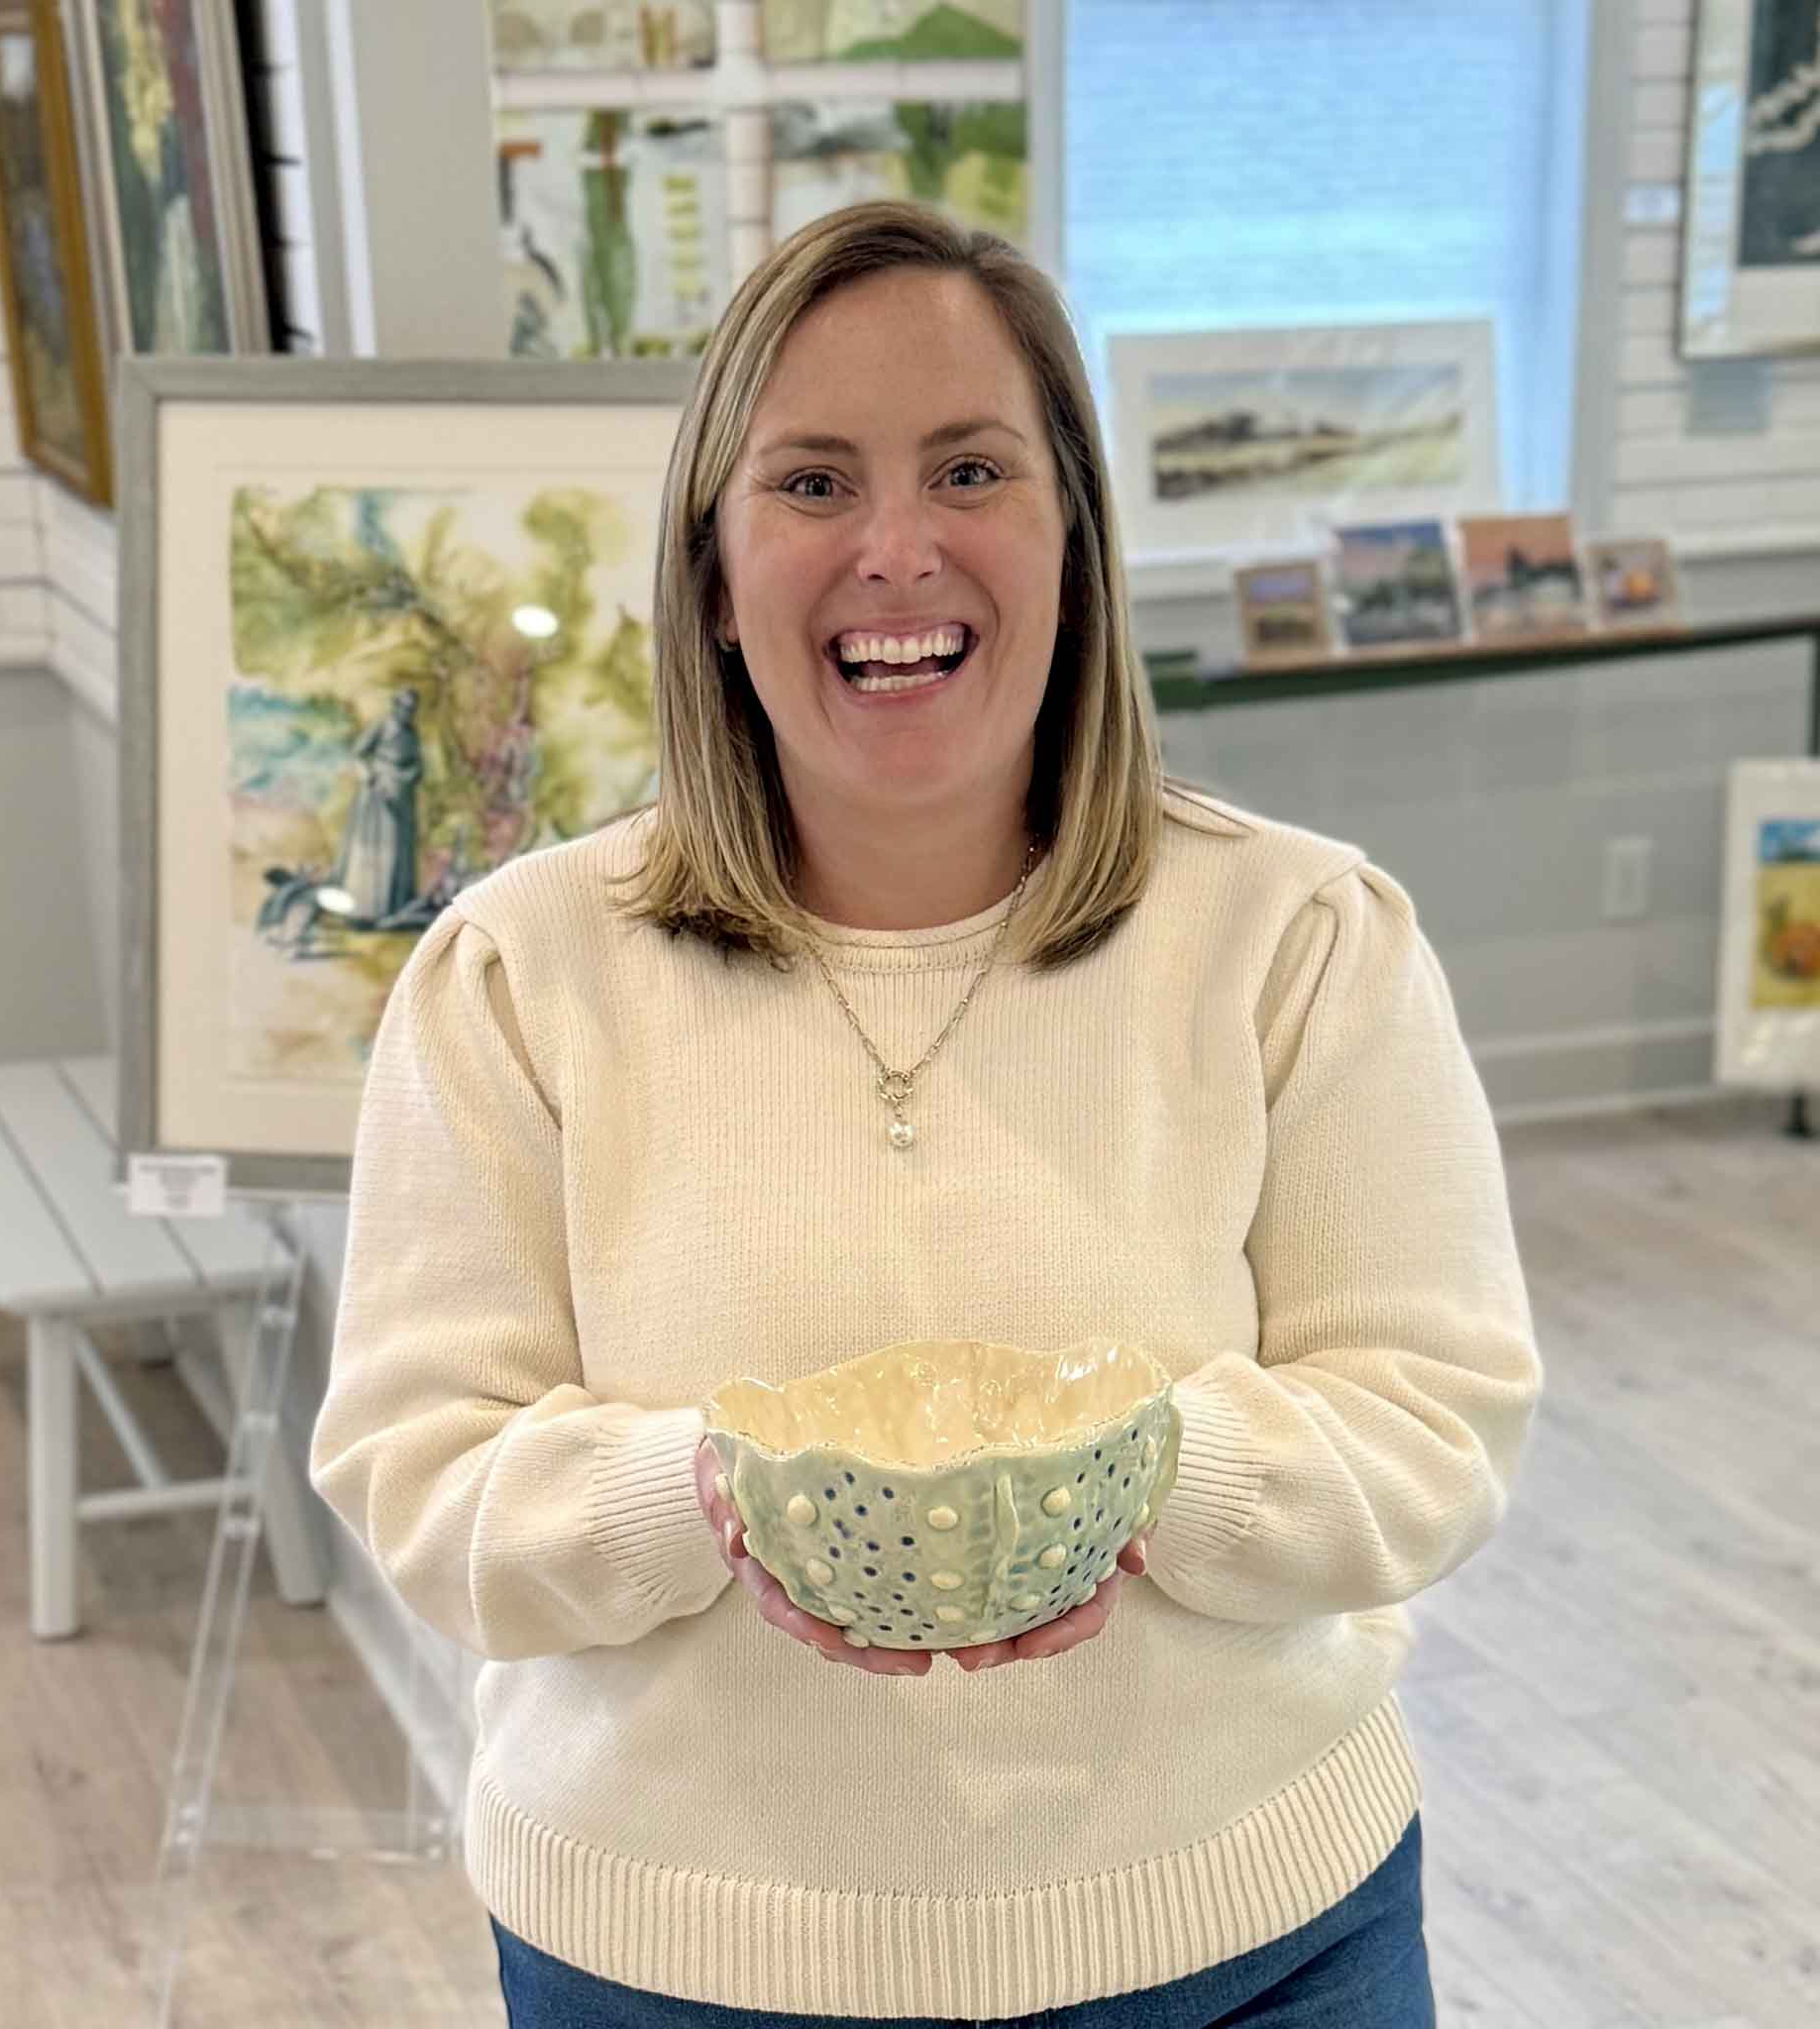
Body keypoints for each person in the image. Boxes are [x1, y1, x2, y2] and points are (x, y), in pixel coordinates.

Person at [309, 200, 1542, 2026]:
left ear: (1074, 542)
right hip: (677, 1960)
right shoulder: (518, 974)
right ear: (714, 577)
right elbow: (420, 1472)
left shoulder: (1297, 940)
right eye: (811, 484)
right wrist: (711, 1497)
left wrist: (1135, 1481)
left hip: (1246, 1936)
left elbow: (1435, 1421)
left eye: (970, 468)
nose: (898, 552)